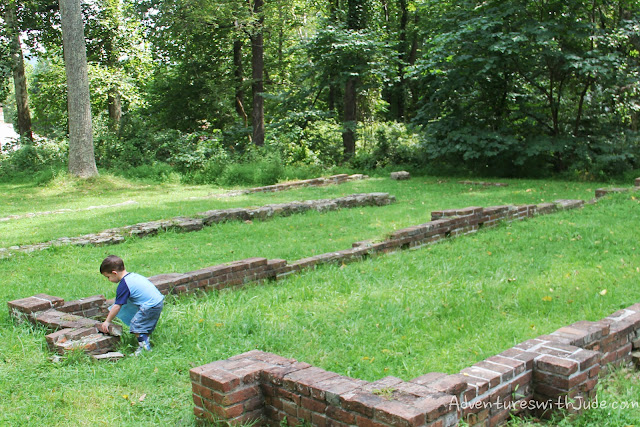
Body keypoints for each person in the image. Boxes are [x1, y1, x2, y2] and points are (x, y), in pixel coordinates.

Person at [99, 255, 164, 356]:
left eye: (108, 277)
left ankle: (145, 348)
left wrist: (107, 321)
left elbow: (117, 306)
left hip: (150, 305)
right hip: (157, 301)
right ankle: (145, 339)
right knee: (141, 323)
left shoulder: (124, 285)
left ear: (114, 273)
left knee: (137, 325)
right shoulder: (133, 276)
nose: (108, 279)